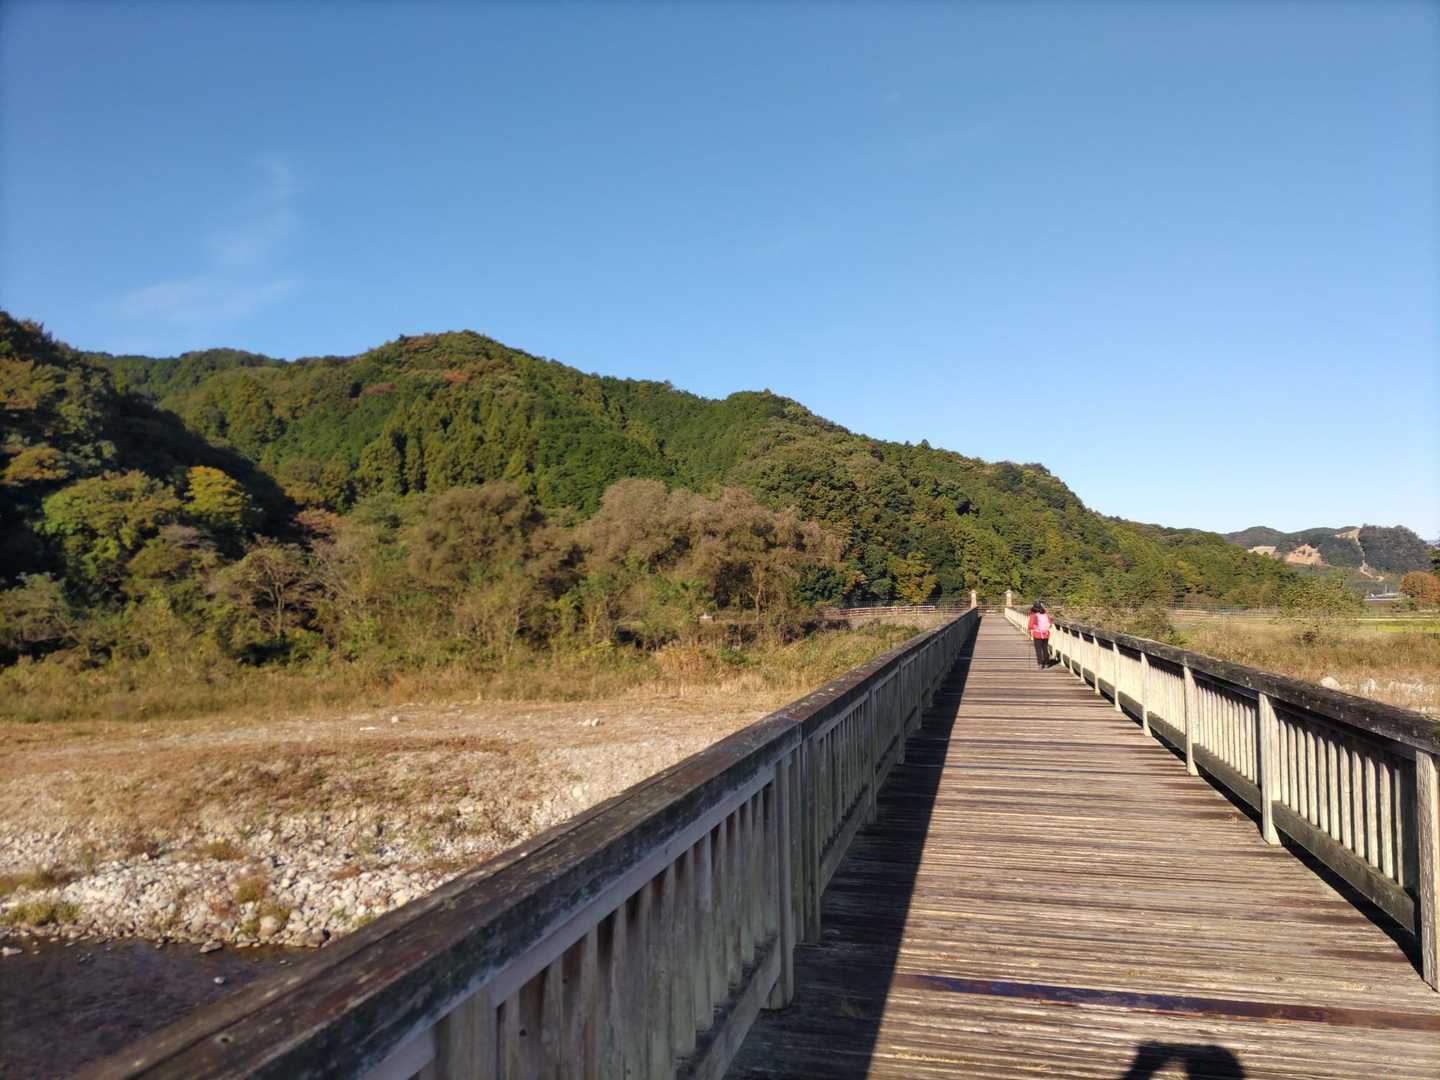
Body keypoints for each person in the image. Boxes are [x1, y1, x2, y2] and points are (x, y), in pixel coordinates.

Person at [1026, 601, 1052, 669]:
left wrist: (1029, 632)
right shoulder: (1045, 614)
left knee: (1038, 649)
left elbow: (1030, 625)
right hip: (1046, 634)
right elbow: (1050, 624)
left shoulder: (1033, 615)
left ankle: (1040, 664)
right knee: (1045, 648)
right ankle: (1047, 663)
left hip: (1037, 634)